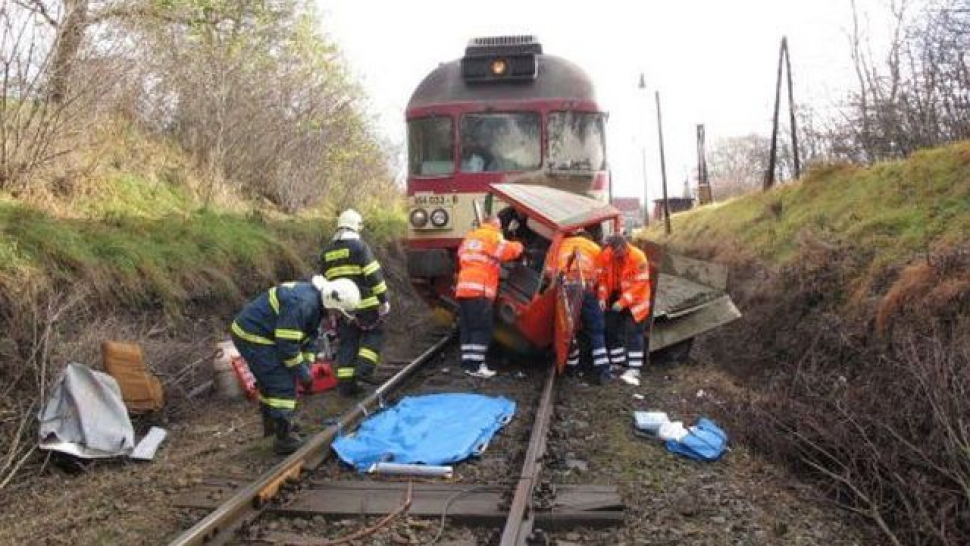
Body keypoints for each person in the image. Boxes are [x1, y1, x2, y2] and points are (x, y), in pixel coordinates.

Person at [231, 276, 360, 454]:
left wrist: (306, 365)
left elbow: (309, 340)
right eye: (339, 312)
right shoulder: (303, 304)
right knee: (282, 383)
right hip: (253, 335)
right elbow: (287, 346)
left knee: (272, 383)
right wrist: (302, 373)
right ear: (332, 302)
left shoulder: (316, 305)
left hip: (266, 334)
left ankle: (274, 426)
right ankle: (283, 438)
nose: (337, 317)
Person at [320, 209, 391, 397]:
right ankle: (364, 369)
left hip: (342, 309)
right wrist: (383, 300)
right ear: (356, 226)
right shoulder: (359, 247)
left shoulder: (326, 252)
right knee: (375, 333)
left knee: (347, 342)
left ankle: (346, 385)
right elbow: (373, 275)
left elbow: (324, 282)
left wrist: (332, 310)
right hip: (366, 305)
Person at [456, 216, 524, 378]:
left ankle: (468, 364)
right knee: (482, 328)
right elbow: (508, 251)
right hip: (481, 289)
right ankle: (478, 366)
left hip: (464, 288)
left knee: (467, 328)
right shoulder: (493, 236)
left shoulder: (470, 237)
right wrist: (520, 245)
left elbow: (461, 255)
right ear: (496, 225)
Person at [597, 234, 653, 386]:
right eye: (613, 253)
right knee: (612, 329)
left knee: (634, 332)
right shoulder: (607, 255)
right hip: (617, 295)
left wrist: (622, 302)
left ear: (624, 247)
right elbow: (602, 279)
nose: (616, 255)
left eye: (618, 253)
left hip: (637, 301)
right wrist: (602, 297)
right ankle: (618, 363)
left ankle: (634, 367)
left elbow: (639, 284)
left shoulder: (638, 257)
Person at [555, 230, 610, 383]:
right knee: (596, 329)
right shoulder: (594, 247)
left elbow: (550, 269)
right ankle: (602, 371)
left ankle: (570, 370)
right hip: (584, 287)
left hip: (564, 288)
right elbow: (602, 274)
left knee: (567, 331)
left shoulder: (561, 244)